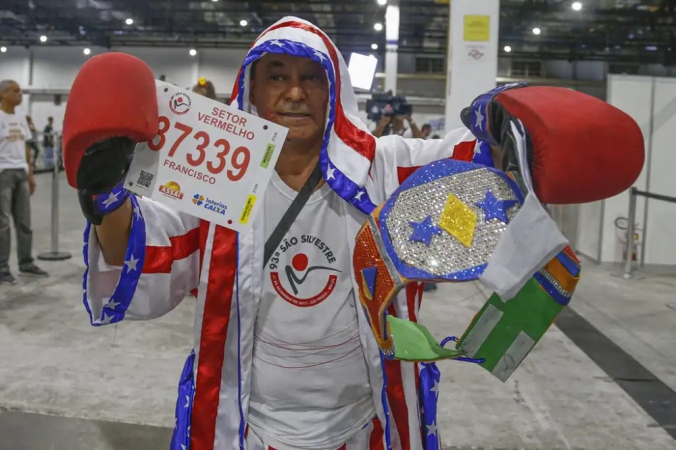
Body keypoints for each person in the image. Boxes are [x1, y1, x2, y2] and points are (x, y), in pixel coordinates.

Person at [70, 18, 508, 450]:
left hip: (365, 422)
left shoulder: (384, 168)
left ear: (334, 88)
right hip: (249, 425)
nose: (295, 93)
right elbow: (146, 253)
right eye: (276, 75)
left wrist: (508, 121)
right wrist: (106, 199)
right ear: (253, 89)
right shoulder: (216, 176)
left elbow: (481, 165)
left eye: (312, 78)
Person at [0, 80, 49, 283]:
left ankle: (26, 263)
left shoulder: (21, 118)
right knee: (3, 224)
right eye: (15, 91)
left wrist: (30, 174)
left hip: (21, 173)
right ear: (3, 94)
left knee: (24, 222)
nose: (20, 94)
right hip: (3, 174)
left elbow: (27, 148)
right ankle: (2, 268)